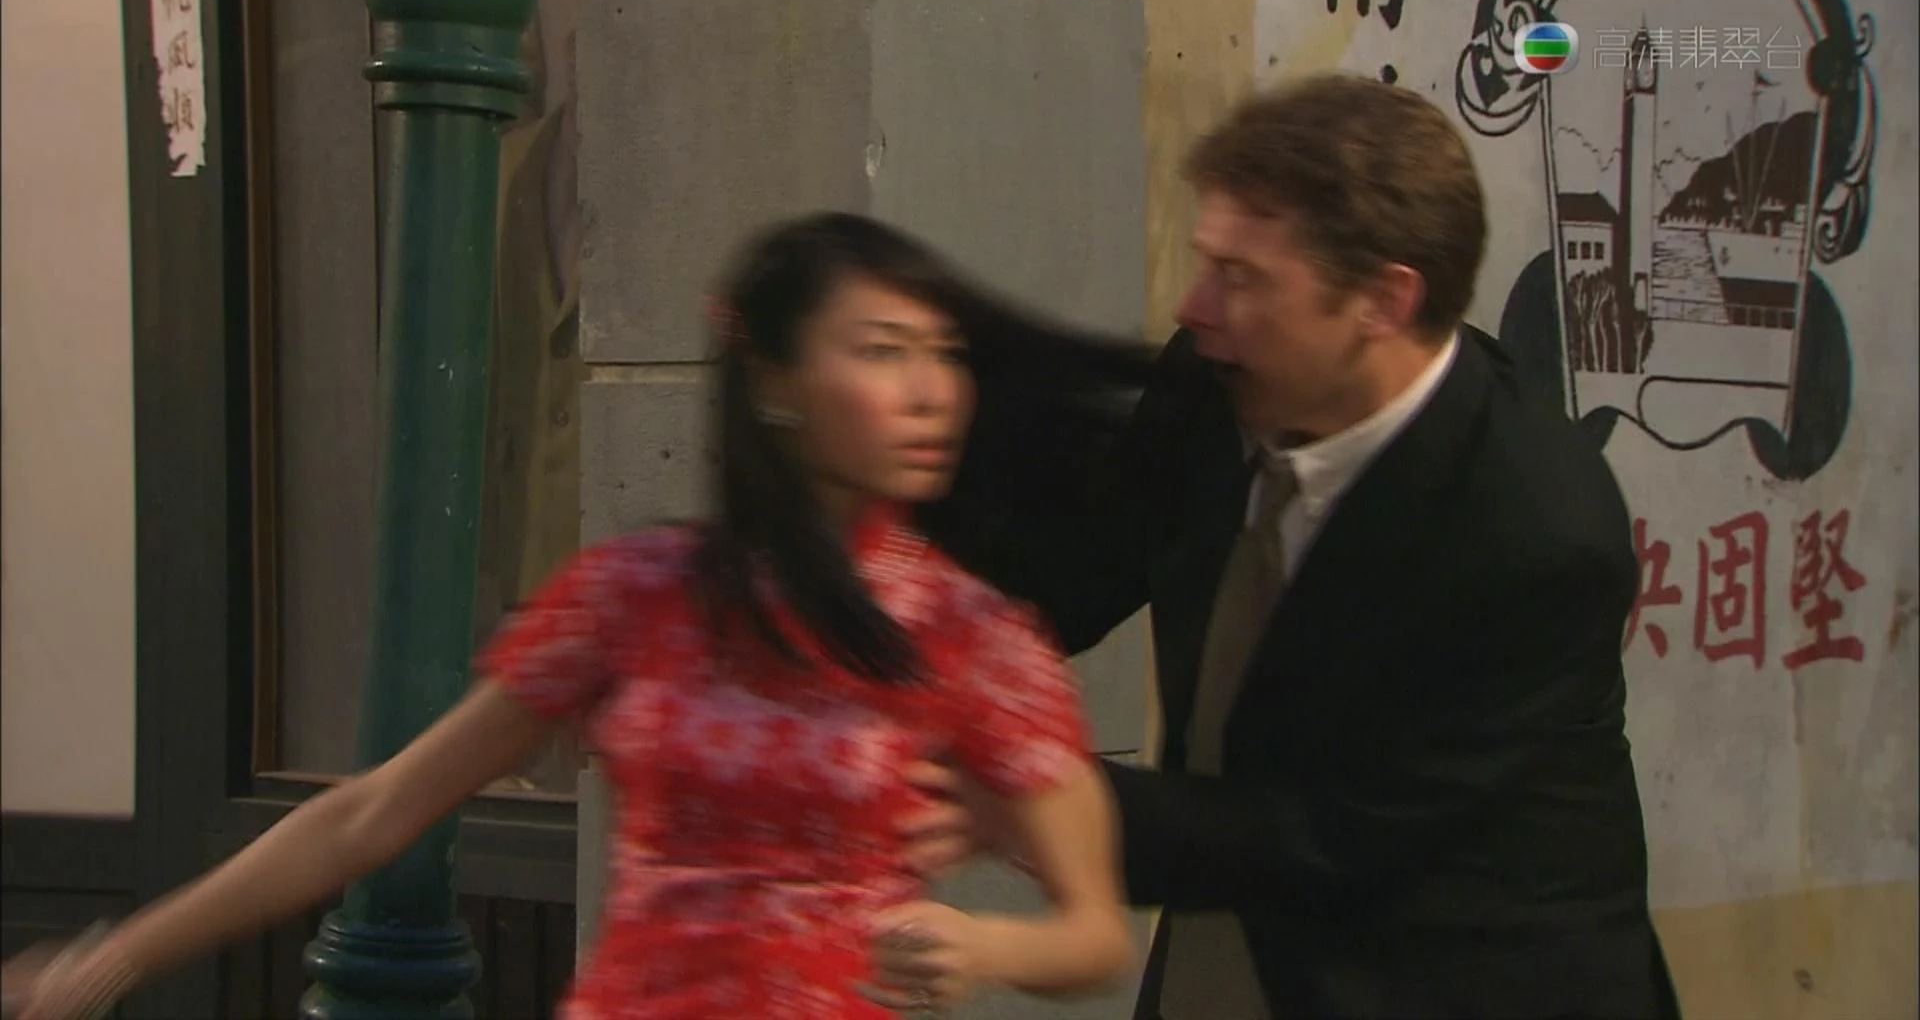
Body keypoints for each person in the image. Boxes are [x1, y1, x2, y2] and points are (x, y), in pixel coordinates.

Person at [1, 212, 1156, 1020]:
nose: (931, 391)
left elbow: (1096, 931)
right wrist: (110, 963)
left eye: (943, 353)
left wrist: (985, 944)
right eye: (883, 352)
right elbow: (375, 812)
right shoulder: (636, 591)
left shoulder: (972, 634)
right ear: (771, 381)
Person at [906, 72, 1684, 1019]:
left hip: (1450, 976)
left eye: (1242, 277)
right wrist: (867, 605)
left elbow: (1332, 835)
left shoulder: (1535, 532)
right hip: (1232, 945)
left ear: (1383, 301)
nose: (1194, 305)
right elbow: (1070, 576)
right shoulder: (1220, 376)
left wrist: (1028, 796)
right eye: (1208, 263)